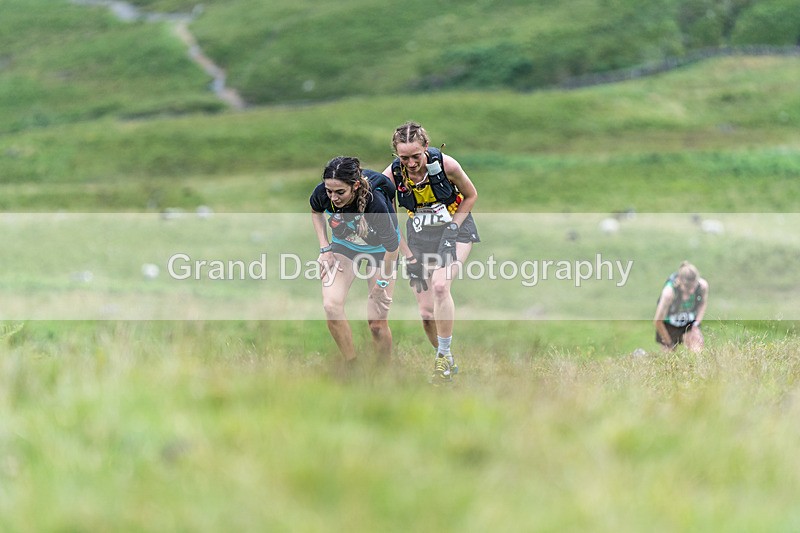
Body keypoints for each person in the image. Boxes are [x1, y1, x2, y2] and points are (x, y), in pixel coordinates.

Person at [382, 121, 479, 383]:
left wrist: (452, 230)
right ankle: (445, 357)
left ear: (426, 146)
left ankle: (442, 360)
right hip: (419, 237)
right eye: (404, 158)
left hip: (456, 230)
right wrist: (407, 255)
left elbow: (471, 195)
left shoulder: (448, 166)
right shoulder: (391, 176)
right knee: (426, 314)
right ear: (396, 154)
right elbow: (387, 220)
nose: (411, 163)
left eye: (416, 156)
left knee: (440, 286)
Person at [310, 156, 400, 368]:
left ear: (356, 185)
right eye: (330, 191)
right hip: (345, 246)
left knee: (376, 324)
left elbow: (393, 248)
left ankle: (383, 372)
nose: (333, 197)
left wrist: (382, 285)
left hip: (382, 251)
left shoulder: (375, 204)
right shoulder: (323, 193)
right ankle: (352, 367)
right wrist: (325, 249)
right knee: (331, 306)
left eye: (340, 192)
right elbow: (316, 211)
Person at [653, 261, 709, 353]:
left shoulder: (702, 286)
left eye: (693, 287)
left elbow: (702, 304)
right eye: (687, 288)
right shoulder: (669, 293)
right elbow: (658, 321)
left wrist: (696, 324)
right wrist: (669, 343)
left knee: (697, 352)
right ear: (679, 281)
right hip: (668, 325)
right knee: (669, 357)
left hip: (689, 322)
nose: (691, 291)